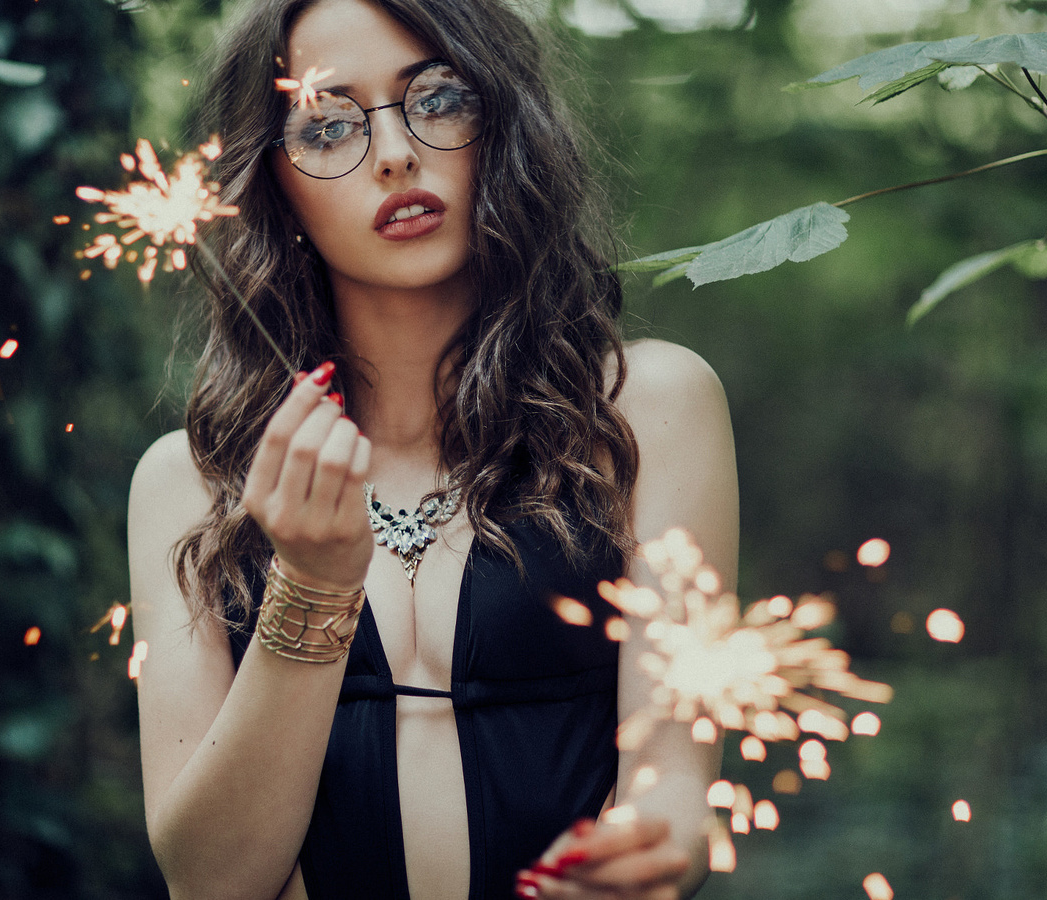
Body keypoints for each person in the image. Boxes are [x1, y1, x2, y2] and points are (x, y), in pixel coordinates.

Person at [126, 0, 738, 897]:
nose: (395, 154)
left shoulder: (646, 411)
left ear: (505, 124)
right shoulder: (192, 484)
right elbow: (210, 881)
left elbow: (676, 785)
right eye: (329, 126)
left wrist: (650, 854)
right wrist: (311, 587)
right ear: (273, 183)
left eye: (441, 99)